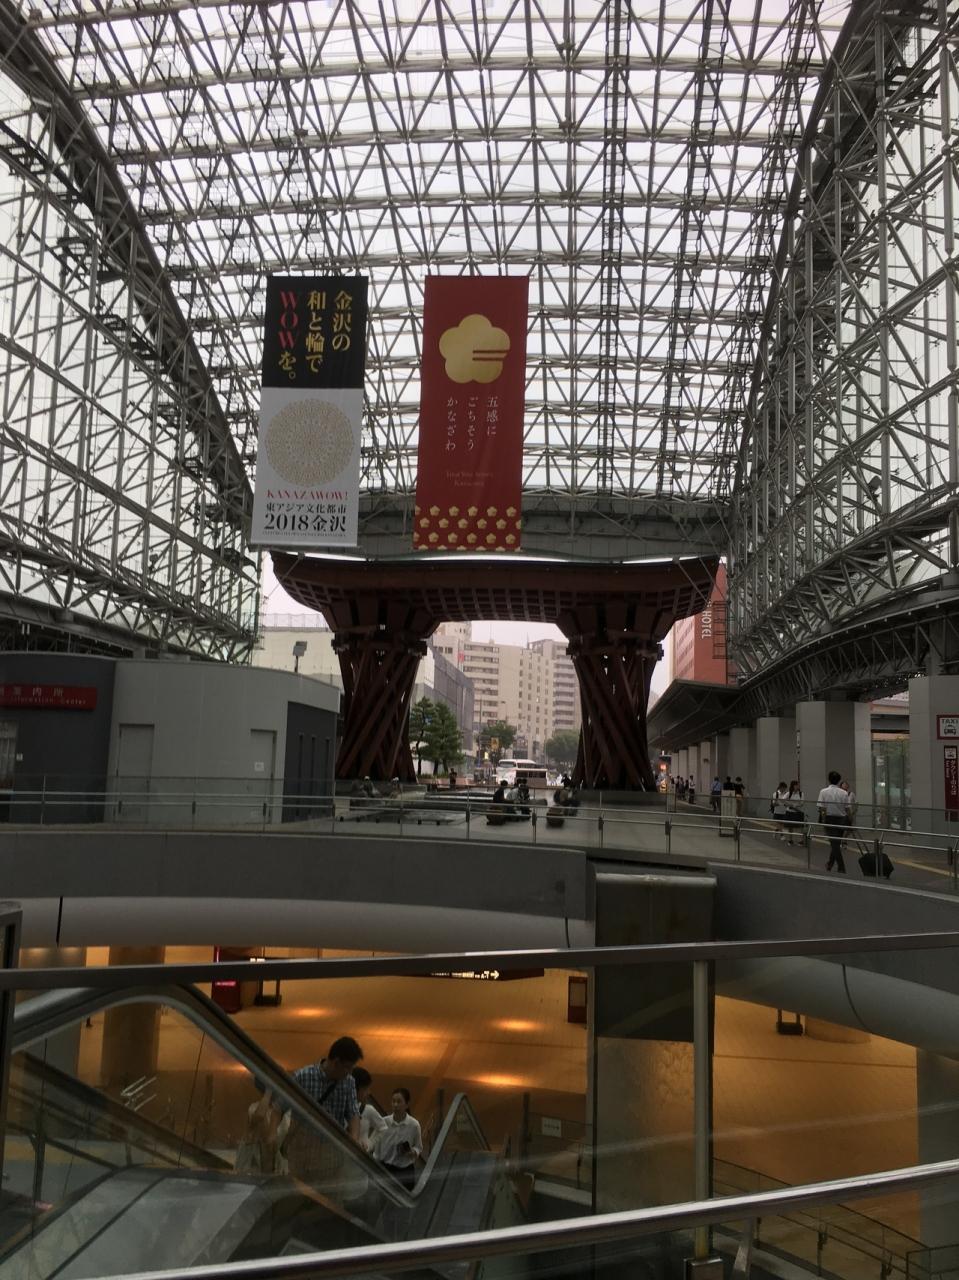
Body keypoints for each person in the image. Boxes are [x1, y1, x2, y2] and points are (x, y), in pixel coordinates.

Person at [292, 1036, 363, 1141]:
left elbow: (353, 1113)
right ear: (336, 1063)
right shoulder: (303, 1076)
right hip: (302, 1142)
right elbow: (280, 1106)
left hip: (332, 1145)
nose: (349, 1072)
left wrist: (354, 1140)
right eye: (347, 1068)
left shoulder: (349, 1082)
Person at [374, 1088, 423, 1189]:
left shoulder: (414, 1125)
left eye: (399, 1102)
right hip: (385, 1169)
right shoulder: (384, 1122)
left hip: (405, 1171)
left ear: (407, 1104)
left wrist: (413, 1152)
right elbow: (377, 1148)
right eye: (393, 1101)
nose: (395, 1105)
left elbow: (418, 1147)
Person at [817, 770, 851, 872]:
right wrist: (850, 820)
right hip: (841, 819)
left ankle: (841, 867)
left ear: (829, 780)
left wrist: (823, 819)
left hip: (829, 819)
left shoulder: (823, 791)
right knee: (836, 843)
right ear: (839, 780)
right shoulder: (844, 793)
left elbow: (822, 808)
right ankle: (830, 864)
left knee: (834, 844)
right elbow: (847, 808)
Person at [352, 1067, 387, 1153]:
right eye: (365, 1089)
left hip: (360, 1154)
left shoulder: (368, 1110)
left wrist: (369, 1144)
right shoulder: (341, 1106)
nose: (368, 1092)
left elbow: (383, 1128)